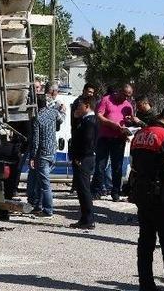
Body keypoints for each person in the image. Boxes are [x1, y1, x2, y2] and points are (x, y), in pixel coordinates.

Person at [129, 107, 164, 291]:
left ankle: (146, 284)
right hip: (163, 195)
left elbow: (133, 164)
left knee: (145, 243)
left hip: (142, 193)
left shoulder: (139, 135)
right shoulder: (163, 135)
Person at [93, 84, 135, 201]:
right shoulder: (106, 100)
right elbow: (99, 115)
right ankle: (97, 190)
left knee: (117, 166)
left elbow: (130, 120)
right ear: (120, 91)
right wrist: (112, 124)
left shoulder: (128, 105)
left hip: (119, 138)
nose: (126, 98)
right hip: (105, 137)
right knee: (100, 165)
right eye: (125, 95)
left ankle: (115, 192)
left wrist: (127, 126)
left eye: (128, 96)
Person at [28, 95, 60, 217]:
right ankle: (38, 205)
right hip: (53, 151)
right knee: (41, 182)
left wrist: (32, 156)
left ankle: (48, 209)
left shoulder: (37, 118)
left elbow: (36, 140)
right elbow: (60, 120)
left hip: (42, 154)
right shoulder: (53, 113)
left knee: (44, 184)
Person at [70, 97, 98, 229]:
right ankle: (84, 218)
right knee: (81, 190)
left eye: (79, 106)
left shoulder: (90, 122)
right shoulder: (84, 120)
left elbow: (87, 141)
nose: (77, 108)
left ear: (87, 106)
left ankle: (88, 219)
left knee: (84, 189)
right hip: (82, 158)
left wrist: (79, 157)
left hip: (84, 159)